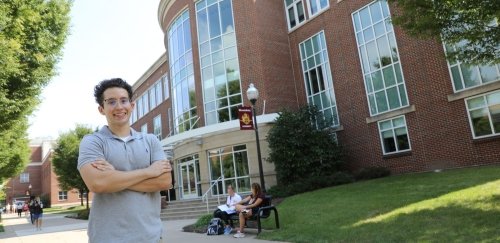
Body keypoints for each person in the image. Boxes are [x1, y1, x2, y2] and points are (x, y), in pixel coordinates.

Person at [77, 78, 173, 243]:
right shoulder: (92, 142)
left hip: (151, 237)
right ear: (101, 109)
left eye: (123, 100)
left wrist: (113, 176)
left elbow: (164, 181)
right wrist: (148, 172)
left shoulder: (150, 140)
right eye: (111, 102)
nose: (119, 107)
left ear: (132, 105)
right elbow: (98, 184)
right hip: (107, 238)